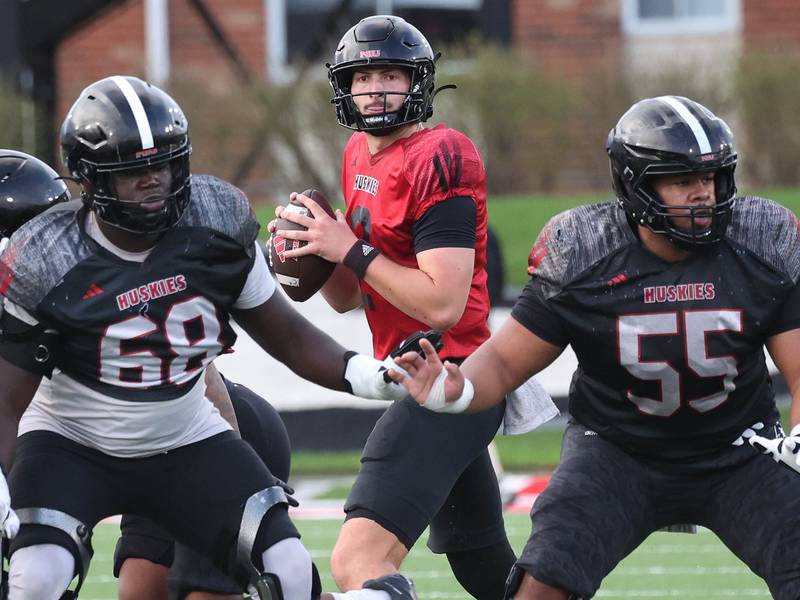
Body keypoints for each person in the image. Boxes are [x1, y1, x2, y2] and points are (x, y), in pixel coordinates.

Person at [0, 75, 413, 600]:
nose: (153, 182)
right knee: (36, 579)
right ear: (92, 180)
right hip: (73, 444)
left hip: (185, 436)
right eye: (134, 173)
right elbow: (7, 398)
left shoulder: (215, 223)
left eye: (163, 164)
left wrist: (373, 376)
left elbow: (286, 334)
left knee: (286, 571)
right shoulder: (47, 257)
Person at [389, 95, 800, 600]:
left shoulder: (761, 241)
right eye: (682, 179)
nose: (703, 194)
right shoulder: (585, 251)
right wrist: (457, 386)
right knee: (541, 585)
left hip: (739, 450)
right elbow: (503, 359)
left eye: (712, 177)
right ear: (637, 183)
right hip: (617, 453)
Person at [272, 15, 518, 600]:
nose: (376, 89)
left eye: (391, 74)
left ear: (419, 83)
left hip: (450, 377)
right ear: (344, 86)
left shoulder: (443, 155)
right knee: (487, 570)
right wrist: (313, 248)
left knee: (358, 560)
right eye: (364, 76)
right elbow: (349, 297)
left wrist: (348, 248)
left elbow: (442, 302)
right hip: (411, 371)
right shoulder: (358, 151)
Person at [115, 370, 294, 600]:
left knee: (203, 591)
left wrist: (242, 470)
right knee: (140, 592)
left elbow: (204, 373)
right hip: (151, 453)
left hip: (221, 431)